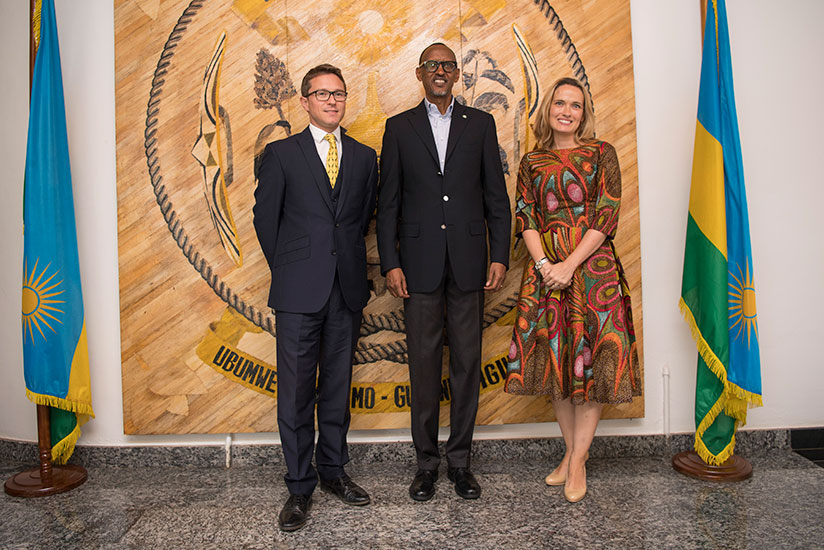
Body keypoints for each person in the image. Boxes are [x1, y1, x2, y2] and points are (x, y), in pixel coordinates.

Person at [377, 43, 511, 502]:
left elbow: (496, 197)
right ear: (419, 73)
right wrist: (391, 262)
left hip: (470, 263)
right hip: (418, 266)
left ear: (456, 75)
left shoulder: (481, 124)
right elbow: (388, 204)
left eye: (448, 65)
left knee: (467, 364)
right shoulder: (398, 128)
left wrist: (499, 255)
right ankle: (426, 465)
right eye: (432, 65)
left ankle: (461, 463)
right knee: (423, 365)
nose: (440, 71)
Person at [504, 77, 641, 503]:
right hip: (546, 276)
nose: (566, 111)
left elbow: (607, 214)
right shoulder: (532, 161)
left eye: (575, 105)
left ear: (584, 114)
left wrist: (569, 265)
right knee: (557, 366)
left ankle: (577, 461)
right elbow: (525, 216)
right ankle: (572, 452)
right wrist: (546, 266)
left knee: (592, 364)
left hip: (593, 273)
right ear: (548, 110)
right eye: (559, 104)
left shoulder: (602, 153)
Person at [253, 64, 378, 531]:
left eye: (338, 93)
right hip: (297, 291)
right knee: (296, 393)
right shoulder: (281, 154)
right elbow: (266, 220)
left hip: (346, 289)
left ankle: (333, 471)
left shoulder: (364, 157)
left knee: (337, 389)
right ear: (304, 101)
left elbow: (361, 218)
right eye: (322, 94)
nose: (331, 101)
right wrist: (291, 270)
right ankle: (299, 485)